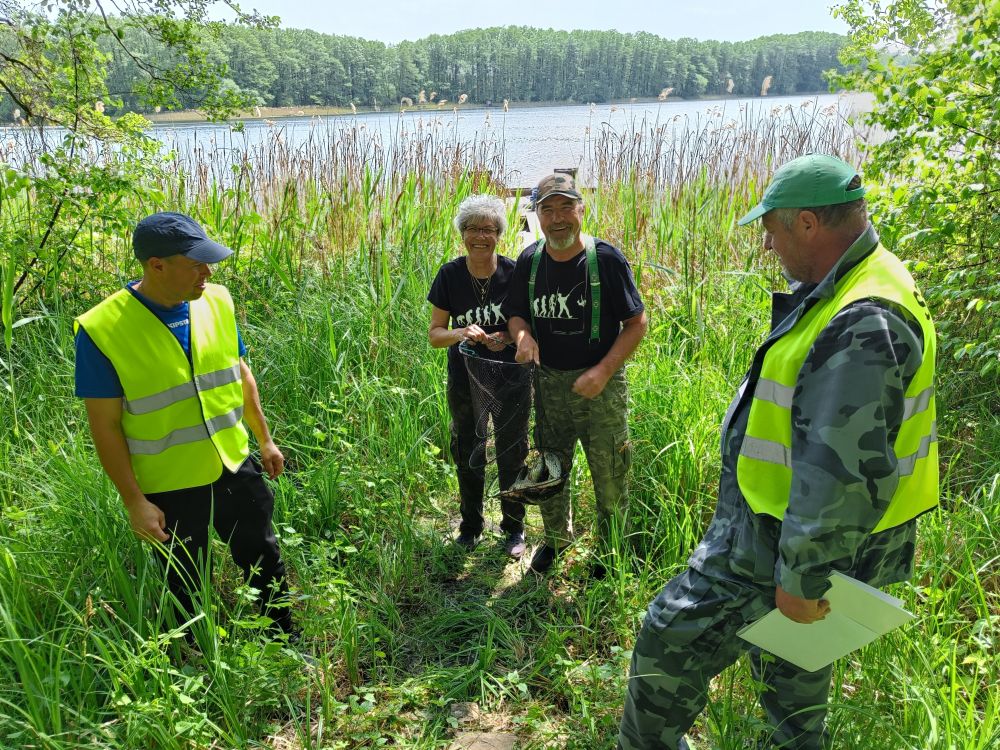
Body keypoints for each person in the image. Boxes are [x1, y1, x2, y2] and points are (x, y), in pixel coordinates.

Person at [618, 154, 938, 749]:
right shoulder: (862, 280)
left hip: (780, 545)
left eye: (772, 227)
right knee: (793, 675)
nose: (767, 243)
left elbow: (843, 472)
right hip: (809, 539)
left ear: (809, 224)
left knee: (667, 645)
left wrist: (803, 577)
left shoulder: (864, 319)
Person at [75, 212, 295, 637]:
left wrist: (265, 440)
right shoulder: (101, 329)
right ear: (156, 265)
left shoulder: (217, 299)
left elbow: (240, 372)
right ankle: (195, 661)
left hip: (233, 461)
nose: (207, 273)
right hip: (169, 481)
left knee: (263, 553)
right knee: (185, 579)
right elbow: (104, 427)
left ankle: (282, 638)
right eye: (196, 264)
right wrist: (134, 501)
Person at [504, 173, 647, 576]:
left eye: (566, 206)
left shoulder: (605, 259)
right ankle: (555, 539)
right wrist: (523, 336)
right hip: (548, 383)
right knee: (548, 467)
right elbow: (516, 314)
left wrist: (603, 371)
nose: (557, 218)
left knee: (611, 473)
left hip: (601, 387)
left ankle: (611, 550)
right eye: (547, 209)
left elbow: (637, 323)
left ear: (581, 210)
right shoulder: (530, 261)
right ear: (537, 216)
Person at [428, 194, 530, 558]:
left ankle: (514, 529)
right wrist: (460, 333)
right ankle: (471, 526)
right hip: (466, 378)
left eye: (488, 229)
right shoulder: (450, 275)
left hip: (511, 377)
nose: (480, 236)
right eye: (472, 228)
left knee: (512, 451)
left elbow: (527, 326)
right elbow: (436, 334)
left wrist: (508, 337)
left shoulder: (515, 272)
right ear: (462, 234)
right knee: (468, 449)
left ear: (499, 234)